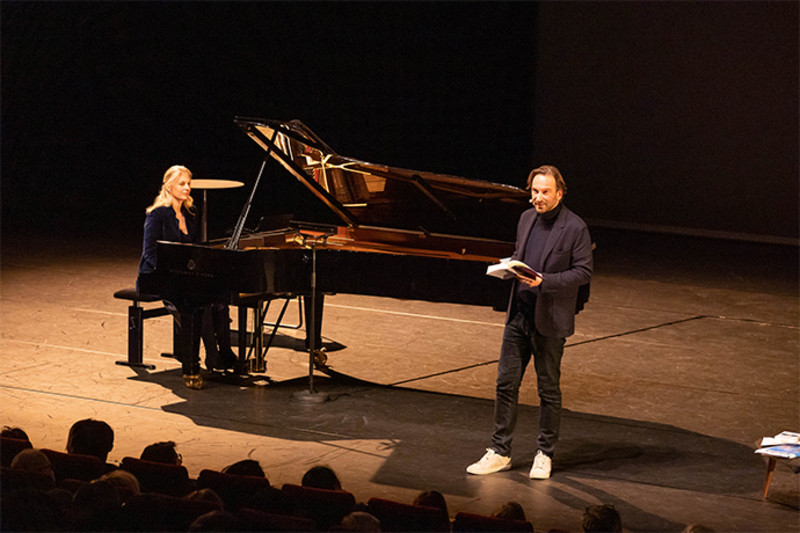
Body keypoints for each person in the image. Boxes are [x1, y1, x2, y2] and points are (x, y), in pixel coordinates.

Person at [467, 165, 592, 480]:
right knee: (505, 384)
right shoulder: (525, 219)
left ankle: (544, 454)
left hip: (549, 320)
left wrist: (544, 281)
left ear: (559, 193)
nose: (538, 198)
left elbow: (583, 272)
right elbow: (521, 255)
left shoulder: (575, 227)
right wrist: (509, 266)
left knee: (548, 389)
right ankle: (500, 451)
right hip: (519, 316)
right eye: (534, 191)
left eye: (545, 192)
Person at [137, 165, 238, 389]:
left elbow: (191, 250)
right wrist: (174, 273)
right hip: (156, 276)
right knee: (196, 303)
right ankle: (211, 356)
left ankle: (224, 351)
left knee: (219, 297)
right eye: (182, 183)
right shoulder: (158, 214)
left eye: (188, 184)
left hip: (182, 275)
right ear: (169, 185)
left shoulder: (188, 214)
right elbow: (150, 253)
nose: (187, 188)